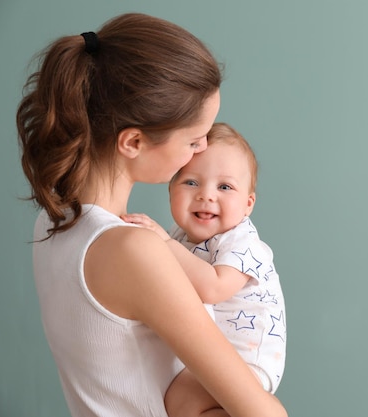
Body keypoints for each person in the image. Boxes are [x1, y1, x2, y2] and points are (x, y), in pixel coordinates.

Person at [16, 13, 287, 417]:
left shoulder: (53, 221)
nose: (201, 153)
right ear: (134, 141)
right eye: (195, 141)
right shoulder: (133, 250)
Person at [122, 122, 286, 394]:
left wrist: (162, 243)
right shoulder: (179, 237)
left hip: (247, 363)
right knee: (178, 400)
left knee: (183, 396)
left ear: (248, 204)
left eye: (224, 187)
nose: (206, 195)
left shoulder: (244, 243)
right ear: (171, 190)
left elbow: (213, 288)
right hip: (212, 358)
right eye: (191, 182)